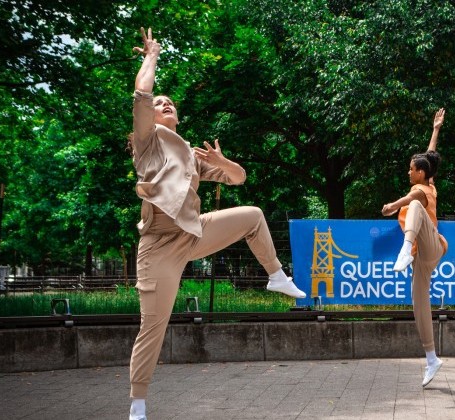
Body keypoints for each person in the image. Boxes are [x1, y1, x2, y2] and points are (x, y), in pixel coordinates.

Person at [127, 27, 306, 420]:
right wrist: (152, 55)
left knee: (254, 215)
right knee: (153, 327)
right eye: (161, 102)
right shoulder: (148, 140)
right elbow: (141, 94)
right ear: (151, 117)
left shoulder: (189, 153)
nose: (165, 102)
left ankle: (275, 274)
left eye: (170, 101)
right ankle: (138, 404)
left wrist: (223, 164)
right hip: (158, 246)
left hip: (192, 234)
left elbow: (239, 178)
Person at [381, 108, 449, 387]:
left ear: (420, 173)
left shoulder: (424, 190)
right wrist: (435, 130)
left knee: (416, 205)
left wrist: (394, 206)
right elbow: (428, 159)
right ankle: (432, 358)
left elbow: (415, 194)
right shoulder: (427, 175)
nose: (408, 171)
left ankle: (404, 248)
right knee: (419, 303)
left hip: (432, 244)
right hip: (422, 255)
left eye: (411, 169)